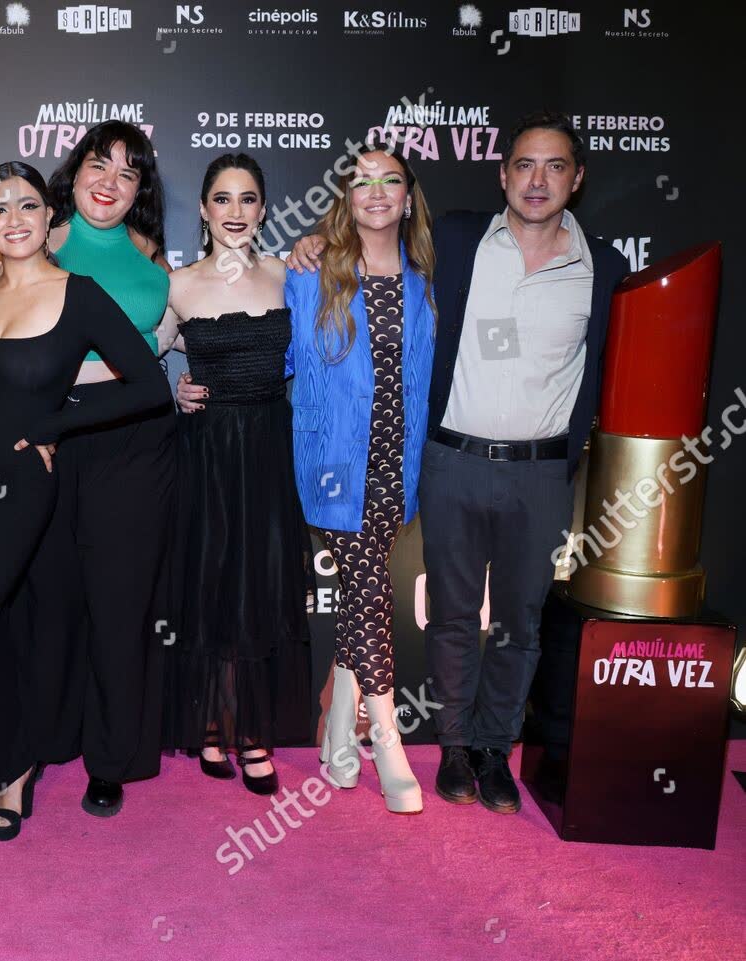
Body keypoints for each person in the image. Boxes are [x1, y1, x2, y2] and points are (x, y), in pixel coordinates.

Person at [290, 112, 627, 814]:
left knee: (519, 622)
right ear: (502, 174)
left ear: (578, 178)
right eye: (524, 165)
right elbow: (320, 299)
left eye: (555, 166)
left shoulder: (603, 267)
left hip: (534, 471)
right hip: (435, 461)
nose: (538, 180)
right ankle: (433, 746)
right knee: (441, 614)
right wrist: (313, 240)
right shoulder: (461, 241)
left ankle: (490, 750)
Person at [0, 121, 174, 817]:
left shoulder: (97, 282)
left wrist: (52, 423)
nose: (13, 217)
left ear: (46, 211)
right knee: (9, 624)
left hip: (54, 466)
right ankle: (18, 761)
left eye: (26, 205)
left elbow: (150, 380)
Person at [282, 145, 437, 815]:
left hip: (396, 462)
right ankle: (389, 741)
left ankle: (340, 733)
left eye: (390, 180)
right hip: (334, 461)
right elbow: (281, 356)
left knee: (360, 593)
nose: (376, 191)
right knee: (370, 587)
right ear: (345, 196)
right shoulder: (313, 273)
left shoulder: (424, 280)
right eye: (362, 180)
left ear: (407, 196)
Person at [157, 154, 313, 796]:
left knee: (261, 583)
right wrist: (173, 390)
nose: (235, 212)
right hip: (207, 453)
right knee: (211, 581)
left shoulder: (285, 275)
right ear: (203, 209)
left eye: (248, 199)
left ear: (264, 209)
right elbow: (142, 354)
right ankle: (212, 722)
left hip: (270, 449)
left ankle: (252, 733)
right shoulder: (179, 284)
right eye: (222, 199)